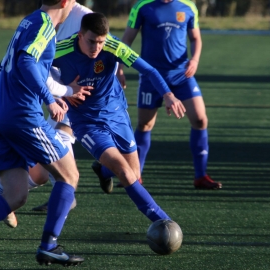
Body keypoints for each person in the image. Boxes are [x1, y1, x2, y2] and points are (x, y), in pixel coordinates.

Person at [0, 1, 85, 269]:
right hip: (21, 117)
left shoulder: (29, 20)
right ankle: (49, 246)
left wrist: (56, 94)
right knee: (70, 175)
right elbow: (26, 61)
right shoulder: (44, 26)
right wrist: (49, 100)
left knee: (16, 194)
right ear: (65, 2)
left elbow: (29, 66)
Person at [53, 13, 185, 225]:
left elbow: (149, 70)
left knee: (133, 172)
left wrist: (168, 95)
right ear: (79, 35)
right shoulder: (60, 49)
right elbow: (32, 72)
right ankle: (164, 221)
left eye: (101, 41)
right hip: (86, 122)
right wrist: (59, 94)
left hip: (116, 113)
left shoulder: (112, 46)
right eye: (92, 41)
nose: (97, 47)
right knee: (124, 172)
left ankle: (103, 169)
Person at [117, 0, 222, 189]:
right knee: (145, 124)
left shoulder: (188, 6)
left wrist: (195, 60)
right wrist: (120, 67)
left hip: (182, 75)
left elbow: (195, 38)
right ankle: (135, 176)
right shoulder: (142, 6)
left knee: (200, 119)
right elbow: (126, 40)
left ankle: (201, 176)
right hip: (151, 76)